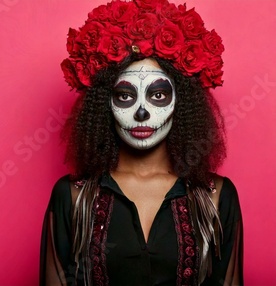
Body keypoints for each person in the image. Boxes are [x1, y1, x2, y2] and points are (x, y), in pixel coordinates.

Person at [40, 0, 243, 285]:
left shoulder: (215, 196)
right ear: (103, 105)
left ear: (182, 103)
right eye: (125, 96)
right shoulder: (73, 197)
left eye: (158, 95)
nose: (141, 112)